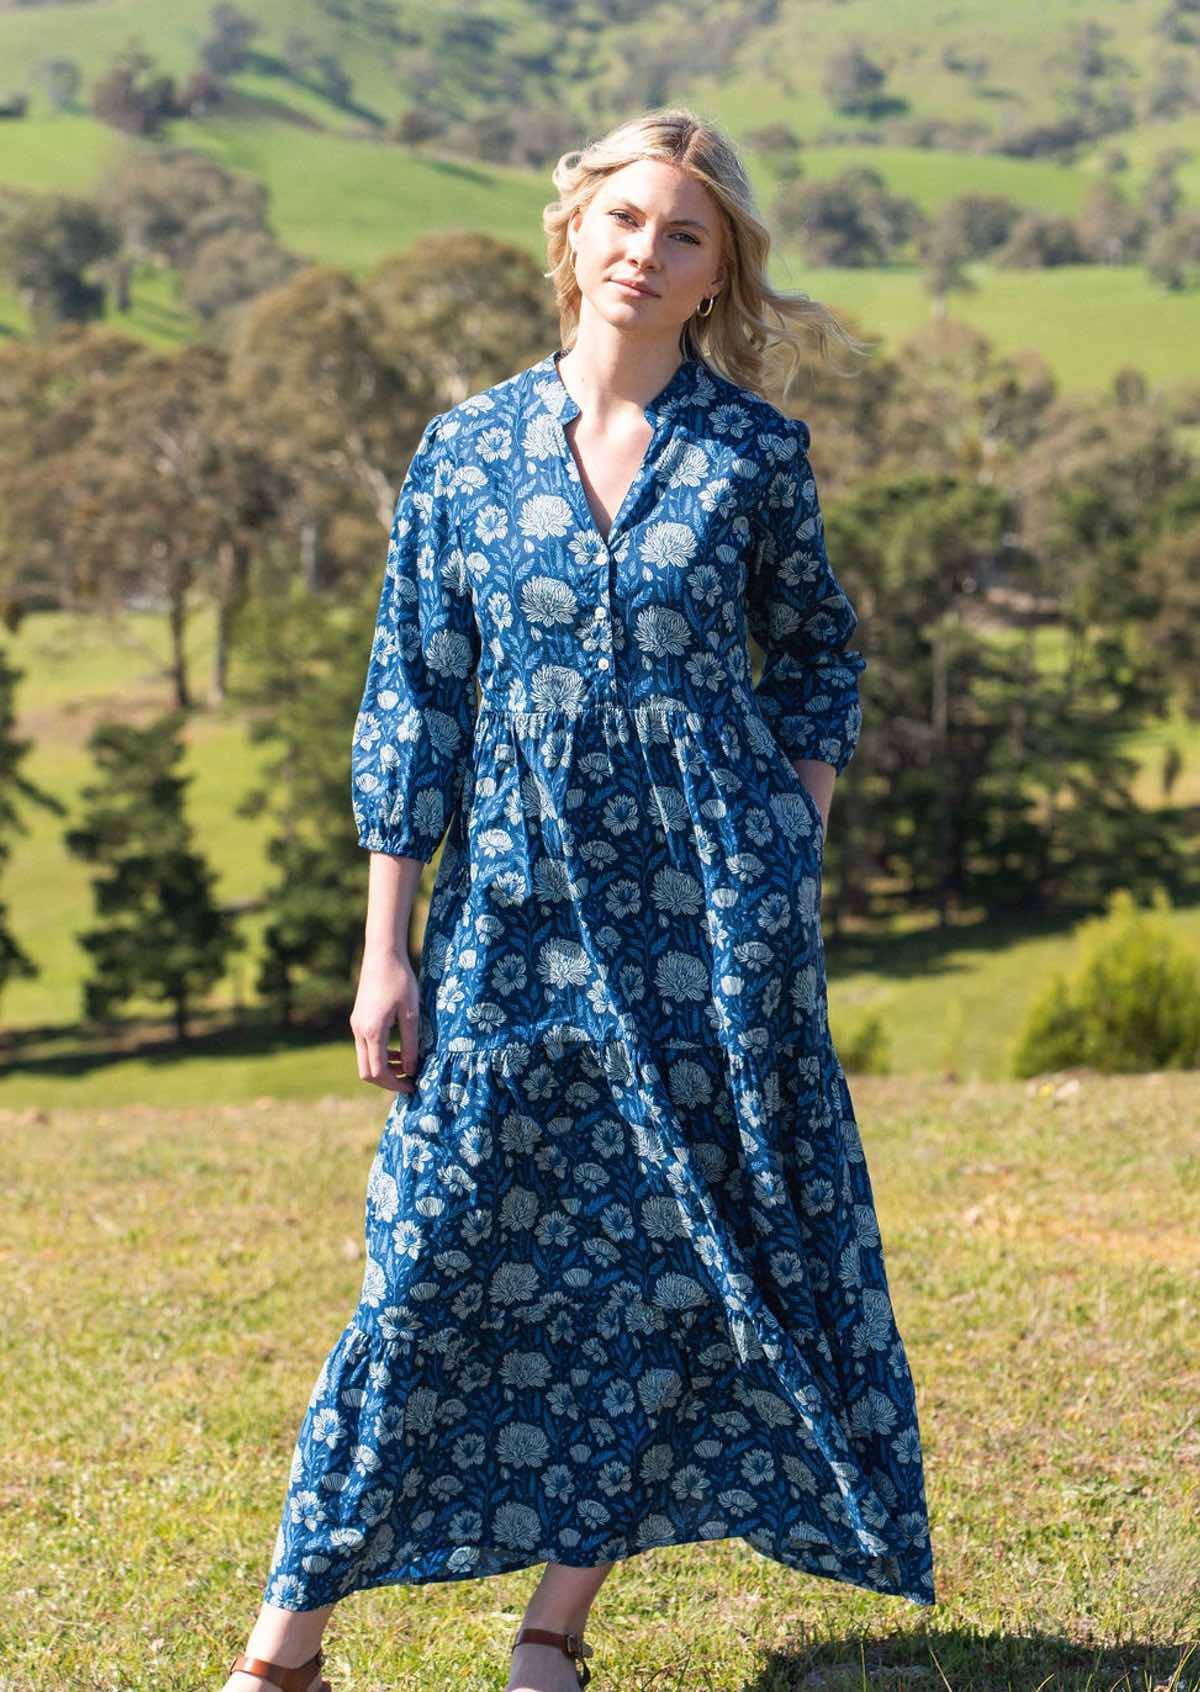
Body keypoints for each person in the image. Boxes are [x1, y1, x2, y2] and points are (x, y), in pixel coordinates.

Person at [224, 106, 935, 1692]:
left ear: (715, 274)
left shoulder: (752, 455)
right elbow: (415, 700)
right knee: (426, 1257)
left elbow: (819, 654)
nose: (645, 250)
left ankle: (556, 1631)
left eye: (684, 233)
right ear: (573, 235)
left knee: (665, 1266)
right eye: (624, 217)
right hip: (510, 929)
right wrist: (382, 952)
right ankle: (287, 1648)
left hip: (710, 935)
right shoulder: (466, 450)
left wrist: (784, 833)